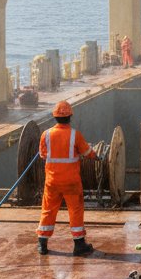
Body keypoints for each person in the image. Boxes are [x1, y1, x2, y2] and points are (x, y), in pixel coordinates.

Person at [37, 100, 97, 256]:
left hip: (52, 181)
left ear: (55, 117)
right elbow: (87, 153)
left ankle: (42, 244)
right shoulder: (75, 135)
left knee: (48, 210)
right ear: (70, 116)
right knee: (75, 210)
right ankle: (79, 245)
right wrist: (95, 156)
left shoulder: (46, 135)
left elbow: (43, 155)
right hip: (71, 182)